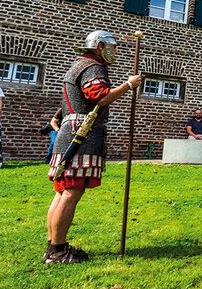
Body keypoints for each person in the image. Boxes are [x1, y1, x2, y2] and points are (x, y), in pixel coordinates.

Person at [45, 30, 142, 264]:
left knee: (63, 191)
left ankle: (55, 246)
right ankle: (56, 251)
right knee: (70, 192)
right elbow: (99, 97)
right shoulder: (92, 67)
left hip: (72, 132)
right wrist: (128, 85)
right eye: (113, 47)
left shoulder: (78, 65)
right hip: (81, 135)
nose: (115, 52)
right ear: (100, 46)